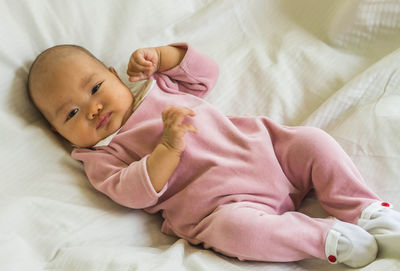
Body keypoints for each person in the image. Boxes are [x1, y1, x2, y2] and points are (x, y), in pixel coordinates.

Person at [27, 42, 400, 267]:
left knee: (313, 142)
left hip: (269, 152)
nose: (92, 108)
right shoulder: (99, 156)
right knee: (237, 234)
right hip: (222, 209)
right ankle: (328, 240)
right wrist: (168, 147)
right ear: (60, 134)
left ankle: (365, 209)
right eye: (71, 113)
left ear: (114, 74)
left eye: (94, 87)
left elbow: (205, 74)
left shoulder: (154, 87)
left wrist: (163, 56)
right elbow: (132, 191)